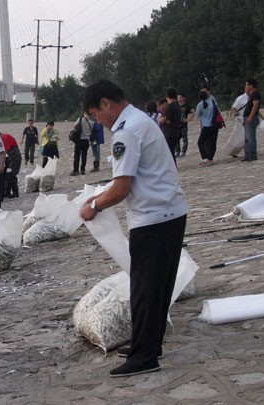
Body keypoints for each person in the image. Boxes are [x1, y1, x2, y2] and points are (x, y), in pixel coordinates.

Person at [79, 79, 188, 378]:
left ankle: (144, 356)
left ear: (105, 104)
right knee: (158, 287)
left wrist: (95, 207)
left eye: (95, 115)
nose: (98, 122)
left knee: (145, 289)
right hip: (171, 212)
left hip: (153, 218)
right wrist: (100, 195)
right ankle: (149, 343)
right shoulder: (141, 119)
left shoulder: (126, 130)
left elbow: (122, 187)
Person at [0, 128, 21, 198]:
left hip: (14, 158)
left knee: (12, 175)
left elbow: (4, 151)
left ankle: (15, 193)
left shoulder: (5, 138)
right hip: (9, 158)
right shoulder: (2, 139)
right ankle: (7, 192)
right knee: (7, 175)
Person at [194, 90, 218, 166]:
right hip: (213, 125)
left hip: (205, 125)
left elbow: (197, 115)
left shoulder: (200, 105)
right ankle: (210, 158)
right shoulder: (212, 102)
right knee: (212, 142)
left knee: (200, 142)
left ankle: (205, 158)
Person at [159, 88, 182, 161]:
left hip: (169, 133)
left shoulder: (171, 106)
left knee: (169, 154)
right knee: (171, 153)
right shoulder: (177, 105)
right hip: (175, 131)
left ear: (167, 96)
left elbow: (162, 120)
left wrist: (162, 118)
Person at [243, 78, 261, 162]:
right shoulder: (251, 94)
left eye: (247, 85)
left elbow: (255, 106)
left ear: (251, 85)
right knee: (247, 138)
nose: (246, 86)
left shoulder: (255, 94)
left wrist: (250, 117)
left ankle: (253, 155)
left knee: (251, 137)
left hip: (251, 118)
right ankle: (248, 154)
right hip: (247, 117)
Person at [176, 92, 195, 158]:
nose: (179, 99)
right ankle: (177, 151)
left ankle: (183, 151)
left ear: (183, 98)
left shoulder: (187, 105)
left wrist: (188, 119)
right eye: (178, 97)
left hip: (183, 124)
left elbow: (193, 111)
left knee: (184, 138)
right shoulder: (176, 105)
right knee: (176, 139)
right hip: (176, 125)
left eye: (180, 97)